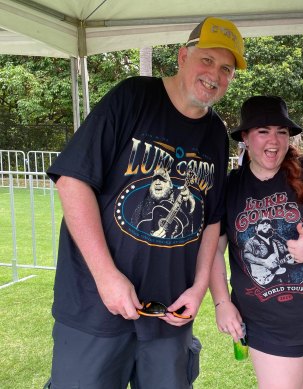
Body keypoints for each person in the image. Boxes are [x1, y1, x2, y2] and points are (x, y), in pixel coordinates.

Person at [44, 16, 246, 389]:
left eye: (226, 69)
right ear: (183, 56)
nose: (215, 75)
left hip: (168, 316)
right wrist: (106, 278)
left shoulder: (216, 134)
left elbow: (211, 220)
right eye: (207, 60)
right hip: (94, 308)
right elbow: (73, 180)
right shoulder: (133, 96)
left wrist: (198, 288)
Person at [209, 95, 303, 389]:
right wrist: (222, 302)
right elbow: (214, 249)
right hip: (267, 318)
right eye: (263, 131)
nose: (273, 141)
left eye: (282, 131)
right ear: (246, 138)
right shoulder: (230, 187)